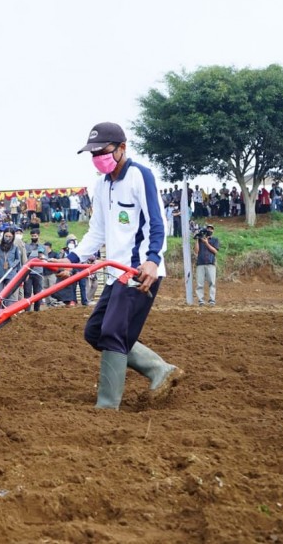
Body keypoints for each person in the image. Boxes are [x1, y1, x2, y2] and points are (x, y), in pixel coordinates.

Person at [75, 121, 182, 410]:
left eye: (103, 151)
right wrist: (73, 259)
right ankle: (158, 369)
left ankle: (107, 406)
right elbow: (96, 232)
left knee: (112, 333)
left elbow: (157, 223)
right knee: (95, 331)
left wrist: (152, 260)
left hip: (138, 272)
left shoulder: (139, 176)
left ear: (122, 148)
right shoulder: (100, 185)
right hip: (114, 271)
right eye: (93, 153)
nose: (98, 158)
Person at [194, 224, 220, 307]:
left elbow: (215, 251)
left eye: (211, 229)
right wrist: (197, 239)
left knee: (212, 283)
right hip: (200, 263)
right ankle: (201, 300)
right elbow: (196, 251)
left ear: (213, 231)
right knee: (199, 283)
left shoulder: (215, 240)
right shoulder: (200, 239)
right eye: (208, 229)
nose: (209, 230)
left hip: (210, 263)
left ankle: (212, 300)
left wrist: (206, 243)